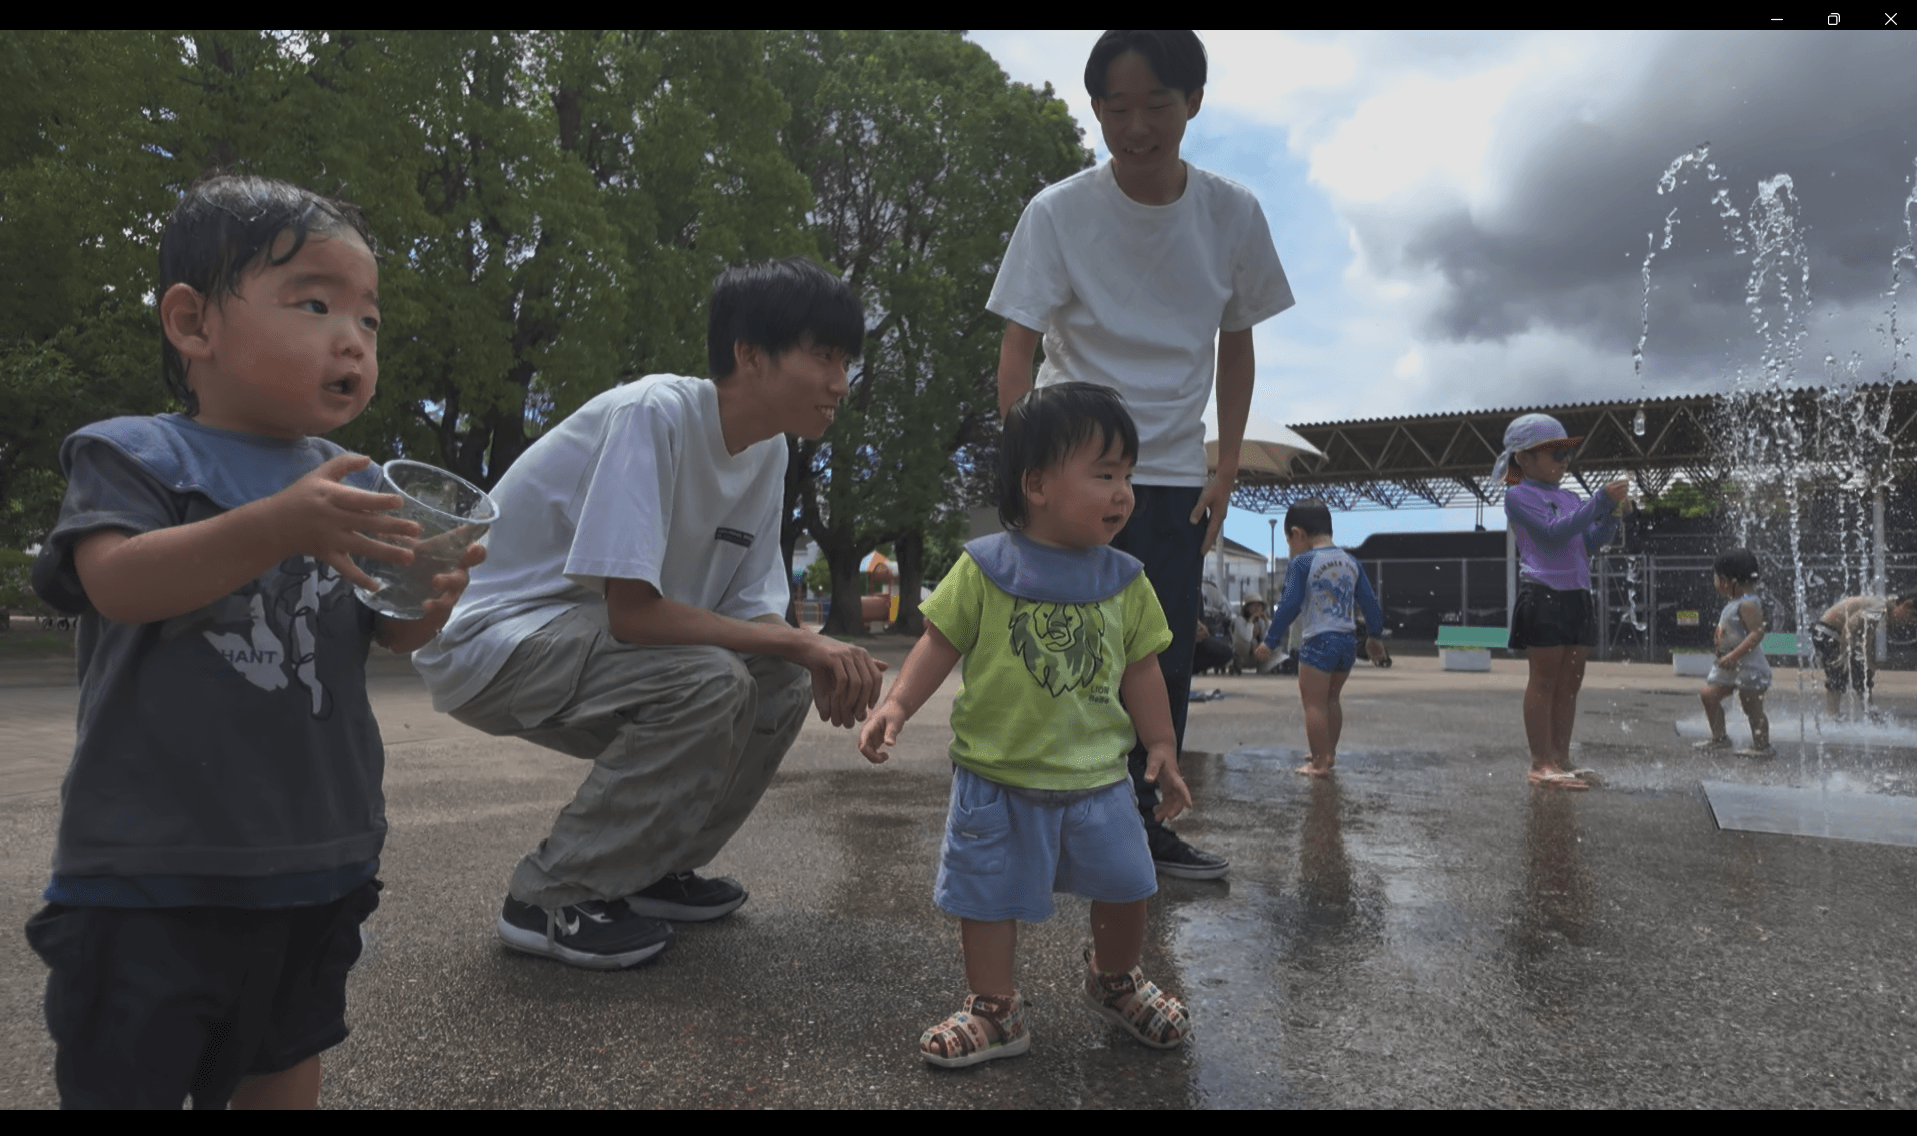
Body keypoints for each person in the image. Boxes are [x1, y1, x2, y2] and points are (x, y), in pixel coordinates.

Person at [25, 174, 480, 1109]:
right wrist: (279, 526)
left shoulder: (352, 481)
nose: (352, 337)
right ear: (194, 325)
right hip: (150, 872)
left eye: (370, 318)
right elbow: (118, 583)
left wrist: (426, 601)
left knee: (284, 1062)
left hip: (316, 854)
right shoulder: (137, 455)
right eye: (314, 302)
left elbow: (378, 630)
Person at [411, 258, 887, 969]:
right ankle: (551, 896)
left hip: (596, 646)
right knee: (710, 681)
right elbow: (633, 613)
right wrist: (801, 643)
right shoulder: (653, 413)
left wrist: (807, 649)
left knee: (776, 678)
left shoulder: (769, 453)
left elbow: (752, 617)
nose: (839, 383)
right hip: (497, 640)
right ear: (748, 355)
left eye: (845, 361)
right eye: (823, 356)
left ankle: (647, 870)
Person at [990, 30, 1295, 880]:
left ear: (1192, 101)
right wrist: (1029, 473)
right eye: (1115, 108)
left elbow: (1236, 345)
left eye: (1155, 106)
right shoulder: (1057, 211)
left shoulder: (1230, 212)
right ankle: (1044, 825)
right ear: (1095, 109)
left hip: (1168, 471)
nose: (1135, 127)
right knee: (1056, 649)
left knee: (1155, 658)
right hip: (1070, 467)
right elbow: (1018, 347)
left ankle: (1141, 824)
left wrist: (1225, 463)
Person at [858, 382, 1193, 1068]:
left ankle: (1114, 977)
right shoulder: (985, 566)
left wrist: (1160, 743)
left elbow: (1141, 670)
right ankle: (995, 1008)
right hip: (997, 775)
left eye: (1127, 475)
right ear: (1037, 484)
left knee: (1127, 881)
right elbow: (938, 642)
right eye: (1104, 475)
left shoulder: (1126, 579)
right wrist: (895, 705)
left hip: (1098, 776)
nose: (1123, 493)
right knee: (986, 895)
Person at [1495, 413, 1632, 790]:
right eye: (1554, 454)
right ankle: (1541, 763)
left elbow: (1586, 542)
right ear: (1524, 459)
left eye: (1565, 455)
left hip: (1576, 594)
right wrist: (1601, 500)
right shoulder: (1518, 495)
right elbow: (1554, 534)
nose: (1563, 462)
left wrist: (1611, 517)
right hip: (1543, 593)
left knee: (1570, 682)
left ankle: (1561, 758)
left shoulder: (1569, 496)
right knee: (1544, 680)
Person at [1252, 499, 1386, 775]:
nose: (1290, 548)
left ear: (1298, 534)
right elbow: (1370, 603)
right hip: (1347, 642)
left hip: (1318, 640)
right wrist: (1375, 637)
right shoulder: (1351, 562)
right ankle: (1328, 753)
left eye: (1289, 541)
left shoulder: (1302, 563)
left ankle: (1319, 762)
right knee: (1332, 699)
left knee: (1312, 702)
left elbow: (1288, 605)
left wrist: (1271, 641)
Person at [1695, 548, 1773, 756]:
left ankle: (1762, 746)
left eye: (1716, 578)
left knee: (1751, 706)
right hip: (1730, 667)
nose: (1714, 582)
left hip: (1748, 668)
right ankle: (1719, 738)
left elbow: (1757, 634)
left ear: (1728, 582)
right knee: (1709, 695)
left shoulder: (1748, 604)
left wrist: (1732, 655)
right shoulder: (1735, 604)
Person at [1812, 593, 1915, 716]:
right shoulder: (1879, 607)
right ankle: (1832, 715)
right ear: (1905, 605)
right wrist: (1843, 654)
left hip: (1839, 634)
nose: (1911, 622)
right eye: (1913, 616)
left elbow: (1868, 638)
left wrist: (1869, 664)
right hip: (1827, 631)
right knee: (1838, 671)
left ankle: (1869, 712)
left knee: (1862, 672)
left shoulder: (1881, 609)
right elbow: (1849, 626)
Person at [1230, 598, 1270, 673]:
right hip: (1243, 654)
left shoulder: (1260, 621)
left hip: (1256, 655)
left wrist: (1266, 621)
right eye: (1254, 606)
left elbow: (1268, 637)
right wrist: (1250, 622)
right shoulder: (1240, 620)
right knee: (1245, 644)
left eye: (1259, 607)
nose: (1257, 609)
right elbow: (1247, 638)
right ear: (1248, 608)